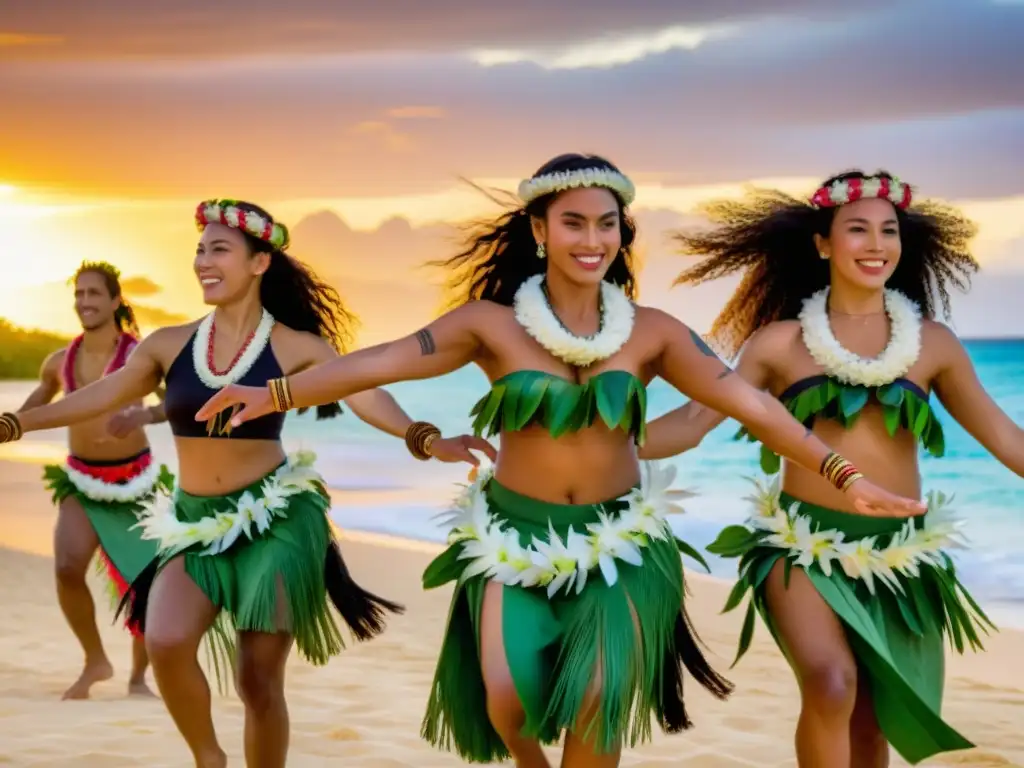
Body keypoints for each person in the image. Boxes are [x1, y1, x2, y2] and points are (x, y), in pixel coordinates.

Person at [182, 156, 925, 768]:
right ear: (540, 230)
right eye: (574, 222)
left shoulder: (654, 333)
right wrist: (273, 390)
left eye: (607, 224)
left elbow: (752, 405)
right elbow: (380, 362)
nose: (591, 238)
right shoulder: (490, 326)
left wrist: (842, 474)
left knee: (598, 701)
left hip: (621, 545)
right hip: (516, 540)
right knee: (508, 701)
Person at [0, 199, 492, 768]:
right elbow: (100, 394)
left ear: (260, 262)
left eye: (219, 250)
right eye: (200, 250)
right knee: (164, 639)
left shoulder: (294, 346)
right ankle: (209, 758)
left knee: (257, 679)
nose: (203, 261)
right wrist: (17, 422)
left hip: (275, 523)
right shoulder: (169, 343)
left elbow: (362, 389)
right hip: (194, 524)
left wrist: (424, 437)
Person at [641, 170, 1019, 767]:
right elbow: (691, 423)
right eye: (857, 230)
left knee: (872, 720)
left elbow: (1004, 436)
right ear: (822, 243)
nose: (876, 244)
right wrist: (595, 442)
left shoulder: (933, 345)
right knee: (830, 683)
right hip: (802, 548)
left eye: (888, 231)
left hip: (900, 556)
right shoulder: (777, 345)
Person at [17, 260, 169, 699]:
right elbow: (33, 410)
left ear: (116, 300)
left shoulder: (142, 356)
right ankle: (95, 660)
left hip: (135, 479)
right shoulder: (58, 361)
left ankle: (139, 677)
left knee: (146, 584)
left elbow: (176, 403)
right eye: (79, 294)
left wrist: (144, 413)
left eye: (94, 294)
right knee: (67, 568)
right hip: (81, 479)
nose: (84, 302)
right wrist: (10, 425)